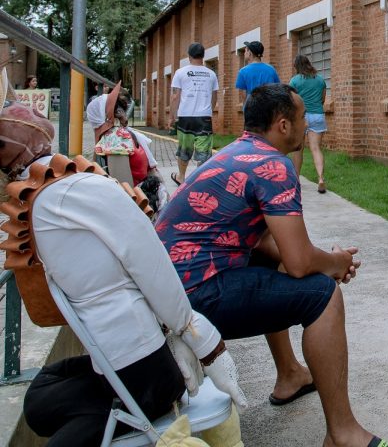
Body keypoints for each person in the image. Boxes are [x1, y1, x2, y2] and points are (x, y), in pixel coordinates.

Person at [156, 83, 388, 447]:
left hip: (169, 291)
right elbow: (300, 262)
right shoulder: (274, 165)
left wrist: (328, 260)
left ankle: (290, 375)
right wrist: (334, 264)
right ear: (283, 125)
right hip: (193, 297)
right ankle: (343, 434)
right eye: (302, 118)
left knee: (271, 263)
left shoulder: (236, 152)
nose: (306, 125)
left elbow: (273, 246)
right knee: (322, 295)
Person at [0, 97, 246, 446]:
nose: (33, 110)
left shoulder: (58, 193)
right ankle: (121, 413)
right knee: (41, 402)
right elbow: (147, 262)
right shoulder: (68, 190)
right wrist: (196, 338)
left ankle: (123, 415)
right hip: (134, 362)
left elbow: (146, 262)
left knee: (53, 411)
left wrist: (198, 340)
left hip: (137, 363)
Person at [169, 43, 218, 185]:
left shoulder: (180, 72)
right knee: (204, 152)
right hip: (204, 117)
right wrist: (209, 109)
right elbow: (214, 96)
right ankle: (200, 181)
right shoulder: (211, 74)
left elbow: (175, 97)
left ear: (189, 56)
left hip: (185, 117)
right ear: (203, 56)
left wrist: (172, 116)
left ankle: (181, 177)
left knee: (184, 148)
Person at [289, 53, 328, 193]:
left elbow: (291, 101)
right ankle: (321, 179)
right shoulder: (320, 80)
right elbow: (323, 99)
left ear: (296, 67)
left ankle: (296, 180)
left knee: (298, 149)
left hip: (302, 117)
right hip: (318, 115)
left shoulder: (294, 81)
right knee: (316, 148)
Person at [234, 40, 279, 107]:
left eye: (246, 50)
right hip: (268, 109)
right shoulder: (271, 69)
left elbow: (243, 95)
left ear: (250, 53)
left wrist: (245, 110)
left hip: (252, 109)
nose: (244, 53)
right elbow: (277, 89)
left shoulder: (243, 71)